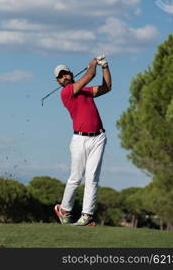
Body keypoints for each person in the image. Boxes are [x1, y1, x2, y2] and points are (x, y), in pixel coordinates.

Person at [53, 57, 112, 226]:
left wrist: (105, 67)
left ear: (71, 74)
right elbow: (90, 75)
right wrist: (93, 65)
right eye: (61, 76)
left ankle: (87, 216)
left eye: (66, 73)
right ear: (58, 81)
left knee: (92, 177)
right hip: (80, 139)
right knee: (76, 178)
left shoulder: (85, 91)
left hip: (99, 137)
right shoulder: (66, 92)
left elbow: (107, 87)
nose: (65, 77)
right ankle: (64, 209)